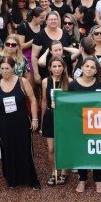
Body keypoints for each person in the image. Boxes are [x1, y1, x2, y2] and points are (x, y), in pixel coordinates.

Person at [0, 56, 40, 190]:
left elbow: (32, 99)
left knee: (25, 148)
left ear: (13, 68)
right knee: (7, 149)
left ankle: (31, 179)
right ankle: (12, 179)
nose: (4, 71)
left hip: (21, 121)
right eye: (2, 68)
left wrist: (34, 118)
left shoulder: (22, 82)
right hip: (4, 123)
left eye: (7, 68)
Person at [68, 56, 101, 193]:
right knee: (81, 151)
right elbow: (68, 104)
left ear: (96, 70)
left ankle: (98, 179)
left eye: (92, 67)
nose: (89, 69)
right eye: (87, 66)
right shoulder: (73, 85)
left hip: (96, 124)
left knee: (97, 150)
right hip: (78, 123)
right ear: (81, 68)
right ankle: (82, 178)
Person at [41, 55, 70, 186]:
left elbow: (73, 102)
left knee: (63, 146)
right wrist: (42, 120)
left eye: (60, 66)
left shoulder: (69, 81)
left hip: (64, 117)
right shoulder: (46, 81)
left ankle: (64, 171)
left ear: (64, 67)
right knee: (51, 149)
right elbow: (44, 101)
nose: (57, 69)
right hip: (50, 115)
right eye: (54, 66)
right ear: (50, 68)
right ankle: (54, 172)